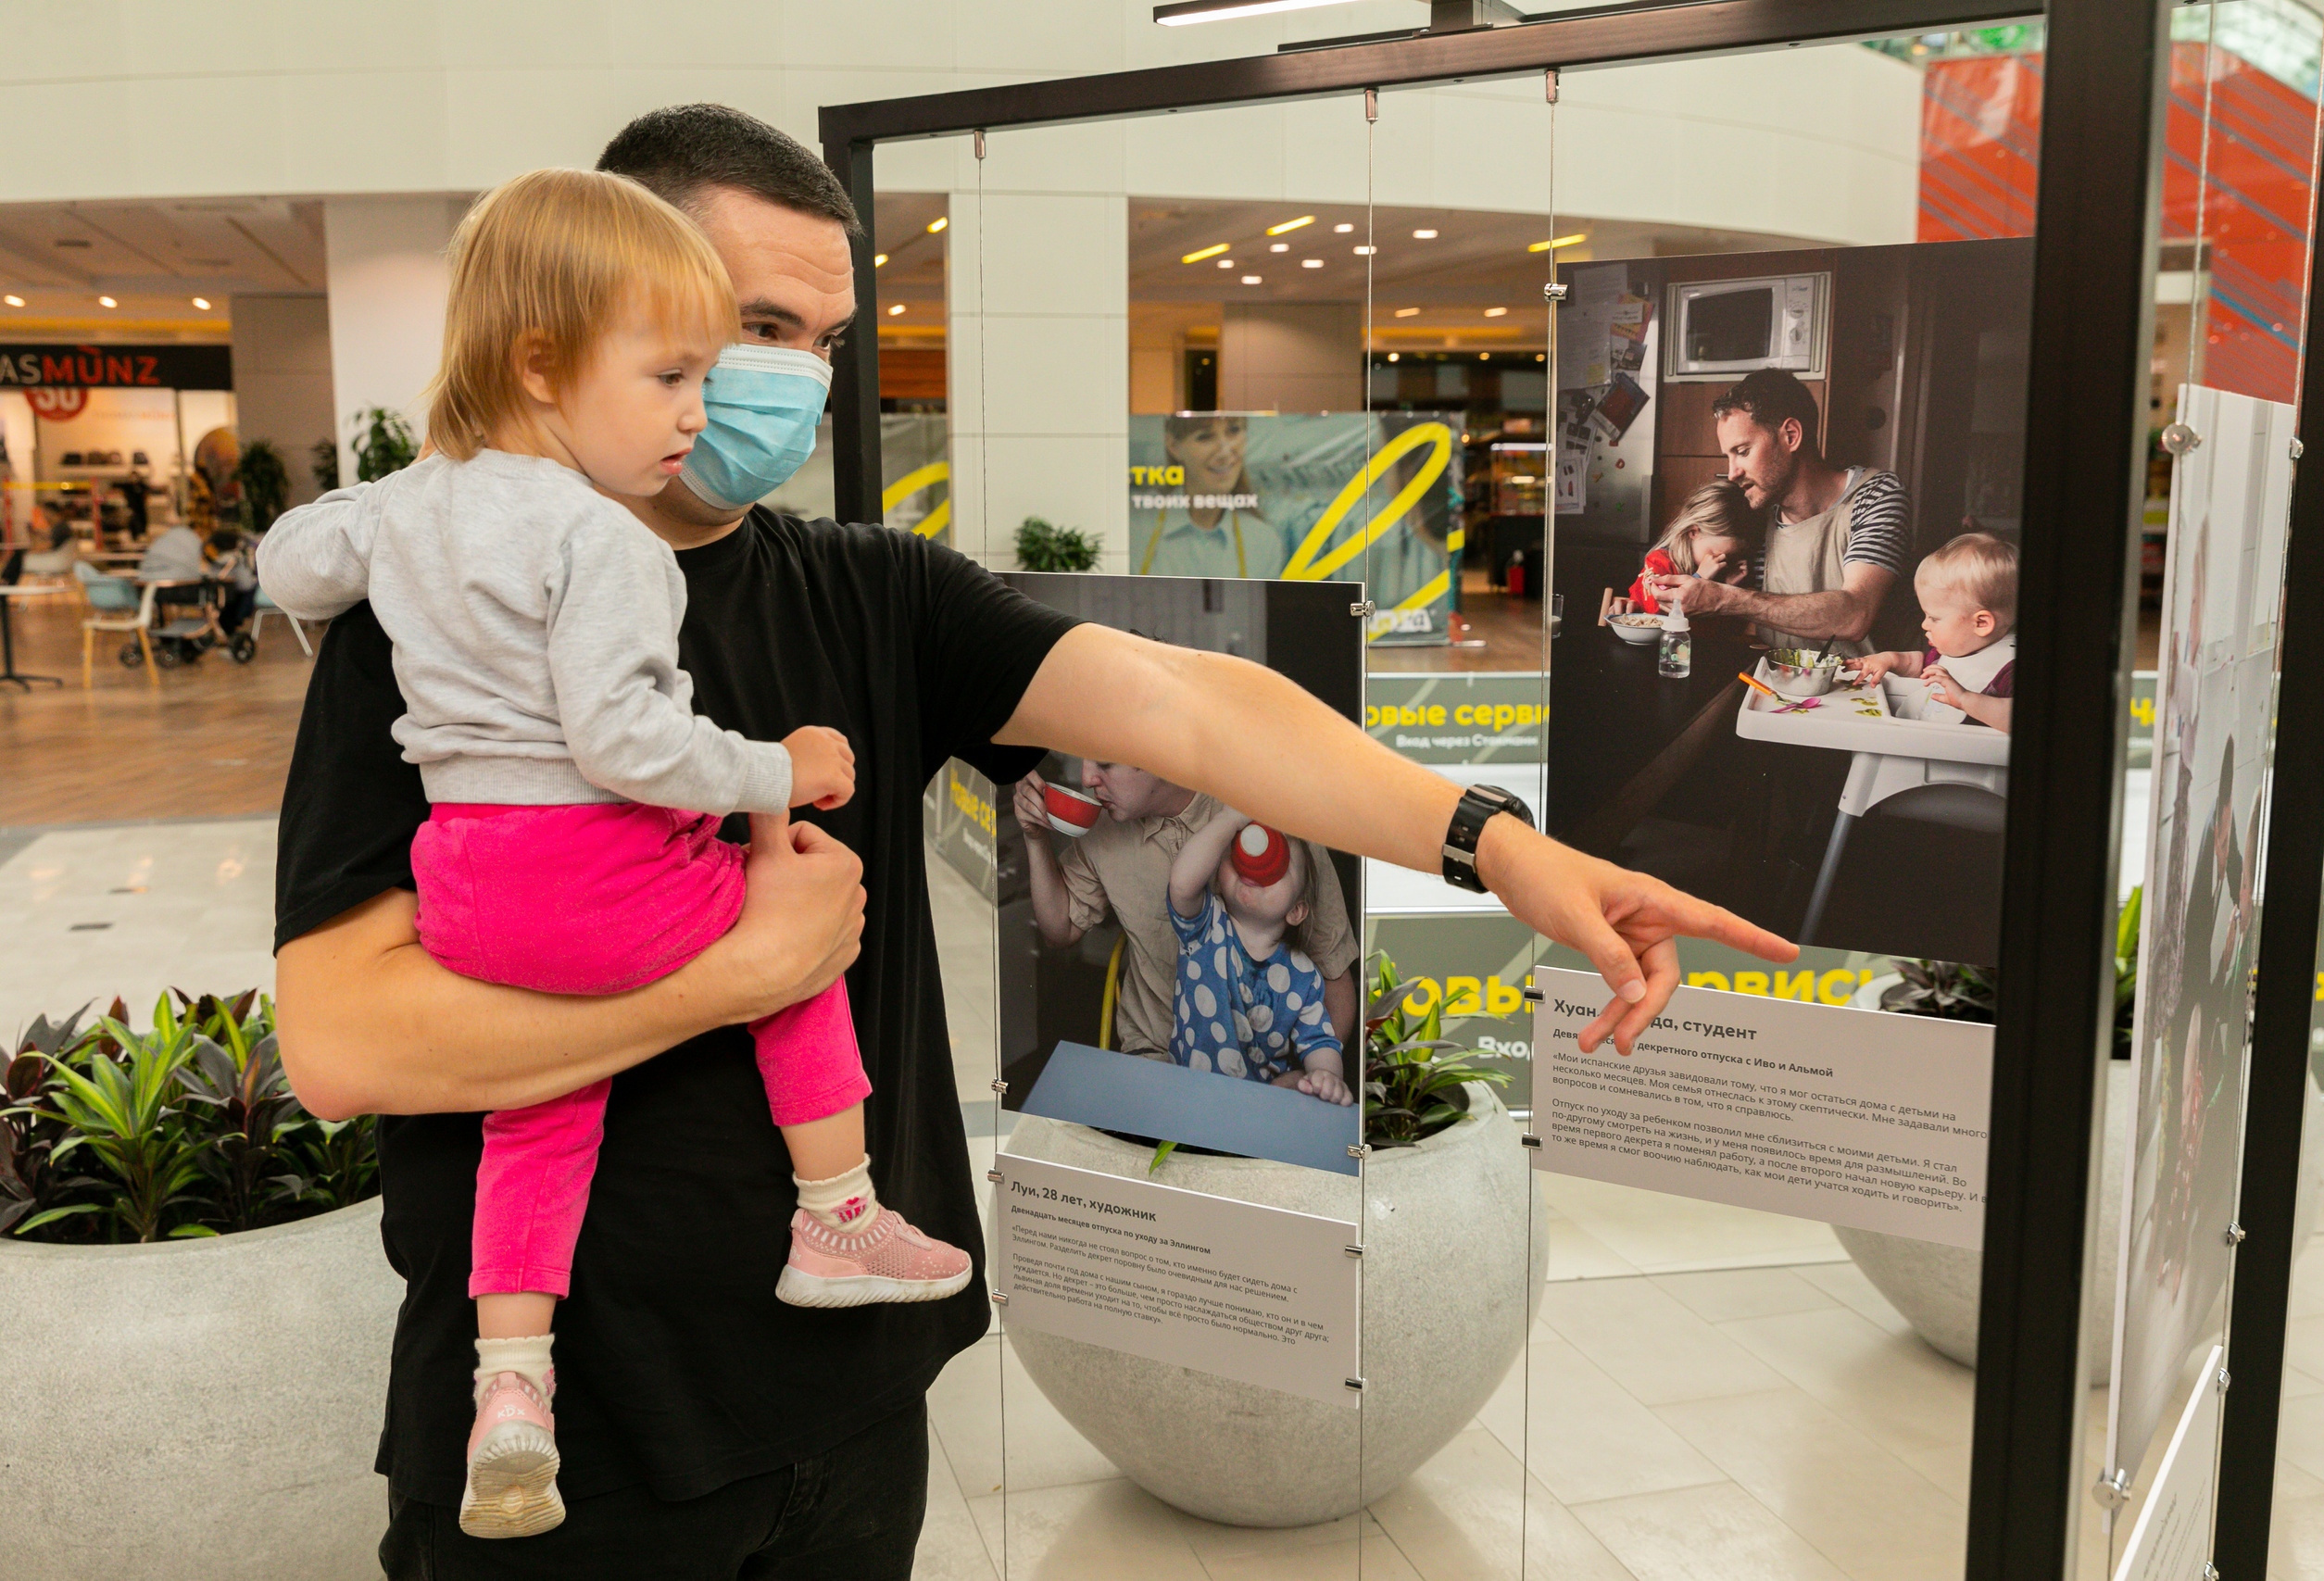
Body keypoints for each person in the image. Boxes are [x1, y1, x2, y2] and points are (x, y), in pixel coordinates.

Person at [270, 104, 1791, 1581]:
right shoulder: (432, 613)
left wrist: (1493, 840)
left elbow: (1192, 704)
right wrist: (739, 971)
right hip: (569, 1443)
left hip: (854, 1408)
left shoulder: (868, 592)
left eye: (825, 341)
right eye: (756, 327)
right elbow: (345, 1036)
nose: (794, 380)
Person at [261, 167, 970, 1542]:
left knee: (541, 1097)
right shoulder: (606, 541)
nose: (700, 416)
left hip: (475, 885)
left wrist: (399, 517)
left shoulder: (413, 509)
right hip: (595, 864)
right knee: (796, 923)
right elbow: (630, 741)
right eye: (671, 378)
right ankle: (837, 1206)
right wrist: (779, 769)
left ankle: (511, 1372)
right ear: (541, 362)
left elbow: (291, 564)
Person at [1013, 759, 1359, 1056]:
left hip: (1262, 1069)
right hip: (1154, 1055)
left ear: (1160, 755)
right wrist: (1034, 838)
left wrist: (1304, 1079)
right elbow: (1060, 929)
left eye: (1105, 763)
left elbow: (1334, 977)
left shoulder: (1266, 816)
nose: (1087, 777)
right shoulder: (1102, 826)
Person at [1646, 369, 1909, 653]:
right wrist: (1638, 607)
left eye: (1743, 451)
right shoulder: (1756, 514)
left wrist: (1726, 598)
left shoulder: (1875, 495)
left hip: (1865, 694)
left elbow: (1856, 614)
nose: (1732, 473)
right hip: (1775, 688)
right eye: (1728, 456)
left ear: (1791, 436)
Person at [1163, 809, 1352, 1104]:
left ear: (1296, 911)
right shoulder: (1203, 927)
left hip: (1261, 1108)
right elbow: (1181, 884)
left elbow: (1320, 1041)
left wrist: (1326, 1076)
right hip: (1188, 1095)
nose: (1258, 862)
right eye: (1241, 847)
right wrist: (1232, 820)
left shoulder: (1303, 976)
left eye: (1282, 866)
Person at [1845, 531, 2016, 733]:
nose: (1925, 625)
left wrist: (1964, 699)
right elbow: (1922, 666)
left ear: (1981, 623)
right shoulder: (1958, 649)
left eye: (1934, 618)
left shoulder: (2009, 670)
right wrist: (1889, 659)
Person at [1134, 414, 1287, 578]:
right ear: (1173, 446)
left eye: (1234, 431)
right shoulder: (1134, 530)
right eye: (1205, 437)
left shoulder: (1263, 541)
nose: (1225, 452)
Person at [1618, 478, 1761, 614]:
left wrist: (1727, 590)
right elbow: (1654, 613)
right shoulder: (1660, 563)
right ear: (1693, 532)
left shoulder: (1724, 574)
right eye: (1717, 556)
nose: (1723, 564)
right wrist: (1700, 579)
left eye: (1732, 558)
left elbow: (1725, 632)